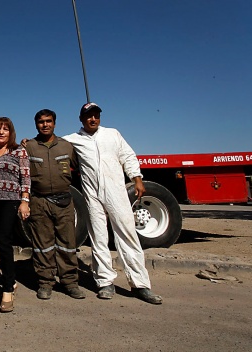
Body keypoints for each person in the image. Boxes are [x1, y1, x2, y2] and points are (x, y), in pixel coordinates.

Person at [63, 102, 163, 304]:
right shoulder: (72, 140)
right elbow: (51, 144)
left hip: (116, 191)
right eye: (89, 116)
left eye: (96, 115)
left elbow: (127, 155)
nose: (93, 119)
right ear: (81, 119)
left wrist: (137, 178)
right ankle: (104, 282)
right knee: (98, 237)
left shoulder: (113, 134)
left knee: (127, 234)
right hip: (92, 194)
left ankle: (140, 284)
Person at [24, 109, 85, 301]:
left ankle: (70, 282)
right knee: (43, 245)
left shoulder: (67, 147)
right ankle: (45, 282)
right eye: (41, 122)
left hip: (64, 202)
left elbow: (82, 169)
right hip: (39, 202)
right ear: (36, 125)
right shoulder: (29, 147)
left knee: (67, 244)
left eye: (48, 121)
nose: (45, 125)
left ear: (55, 124)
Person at [0, 117, 30, 313]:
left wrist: (24, 201)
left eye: (5, 129)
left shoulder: (18, 151)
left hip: (10, 201)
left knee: (4, 241)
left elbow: (25, 176)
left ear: (11, 132)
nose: (1, 132)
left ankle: (8, 289)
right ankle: (10, 278)